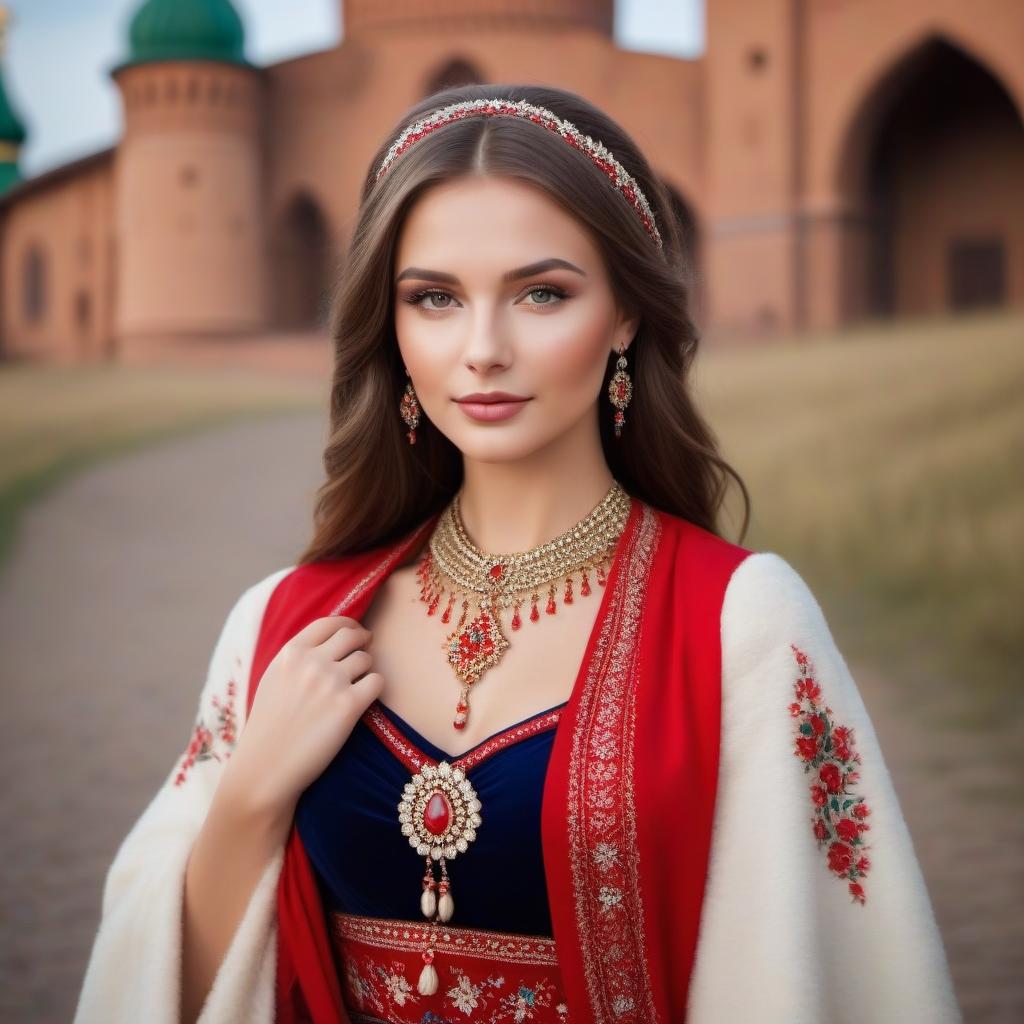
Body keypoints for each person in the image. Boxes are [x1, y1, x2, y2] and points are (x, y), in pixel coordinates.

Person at [74, 84, 962, 1024]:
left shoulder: (740, 624)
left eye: (543, 294)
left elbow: (830, 971)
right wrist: (249, 797)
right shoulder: (280, 624)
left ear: (626, 315)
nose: (483, 349)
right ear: (393, 325)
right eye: (435, 299)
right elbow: (162, 988)